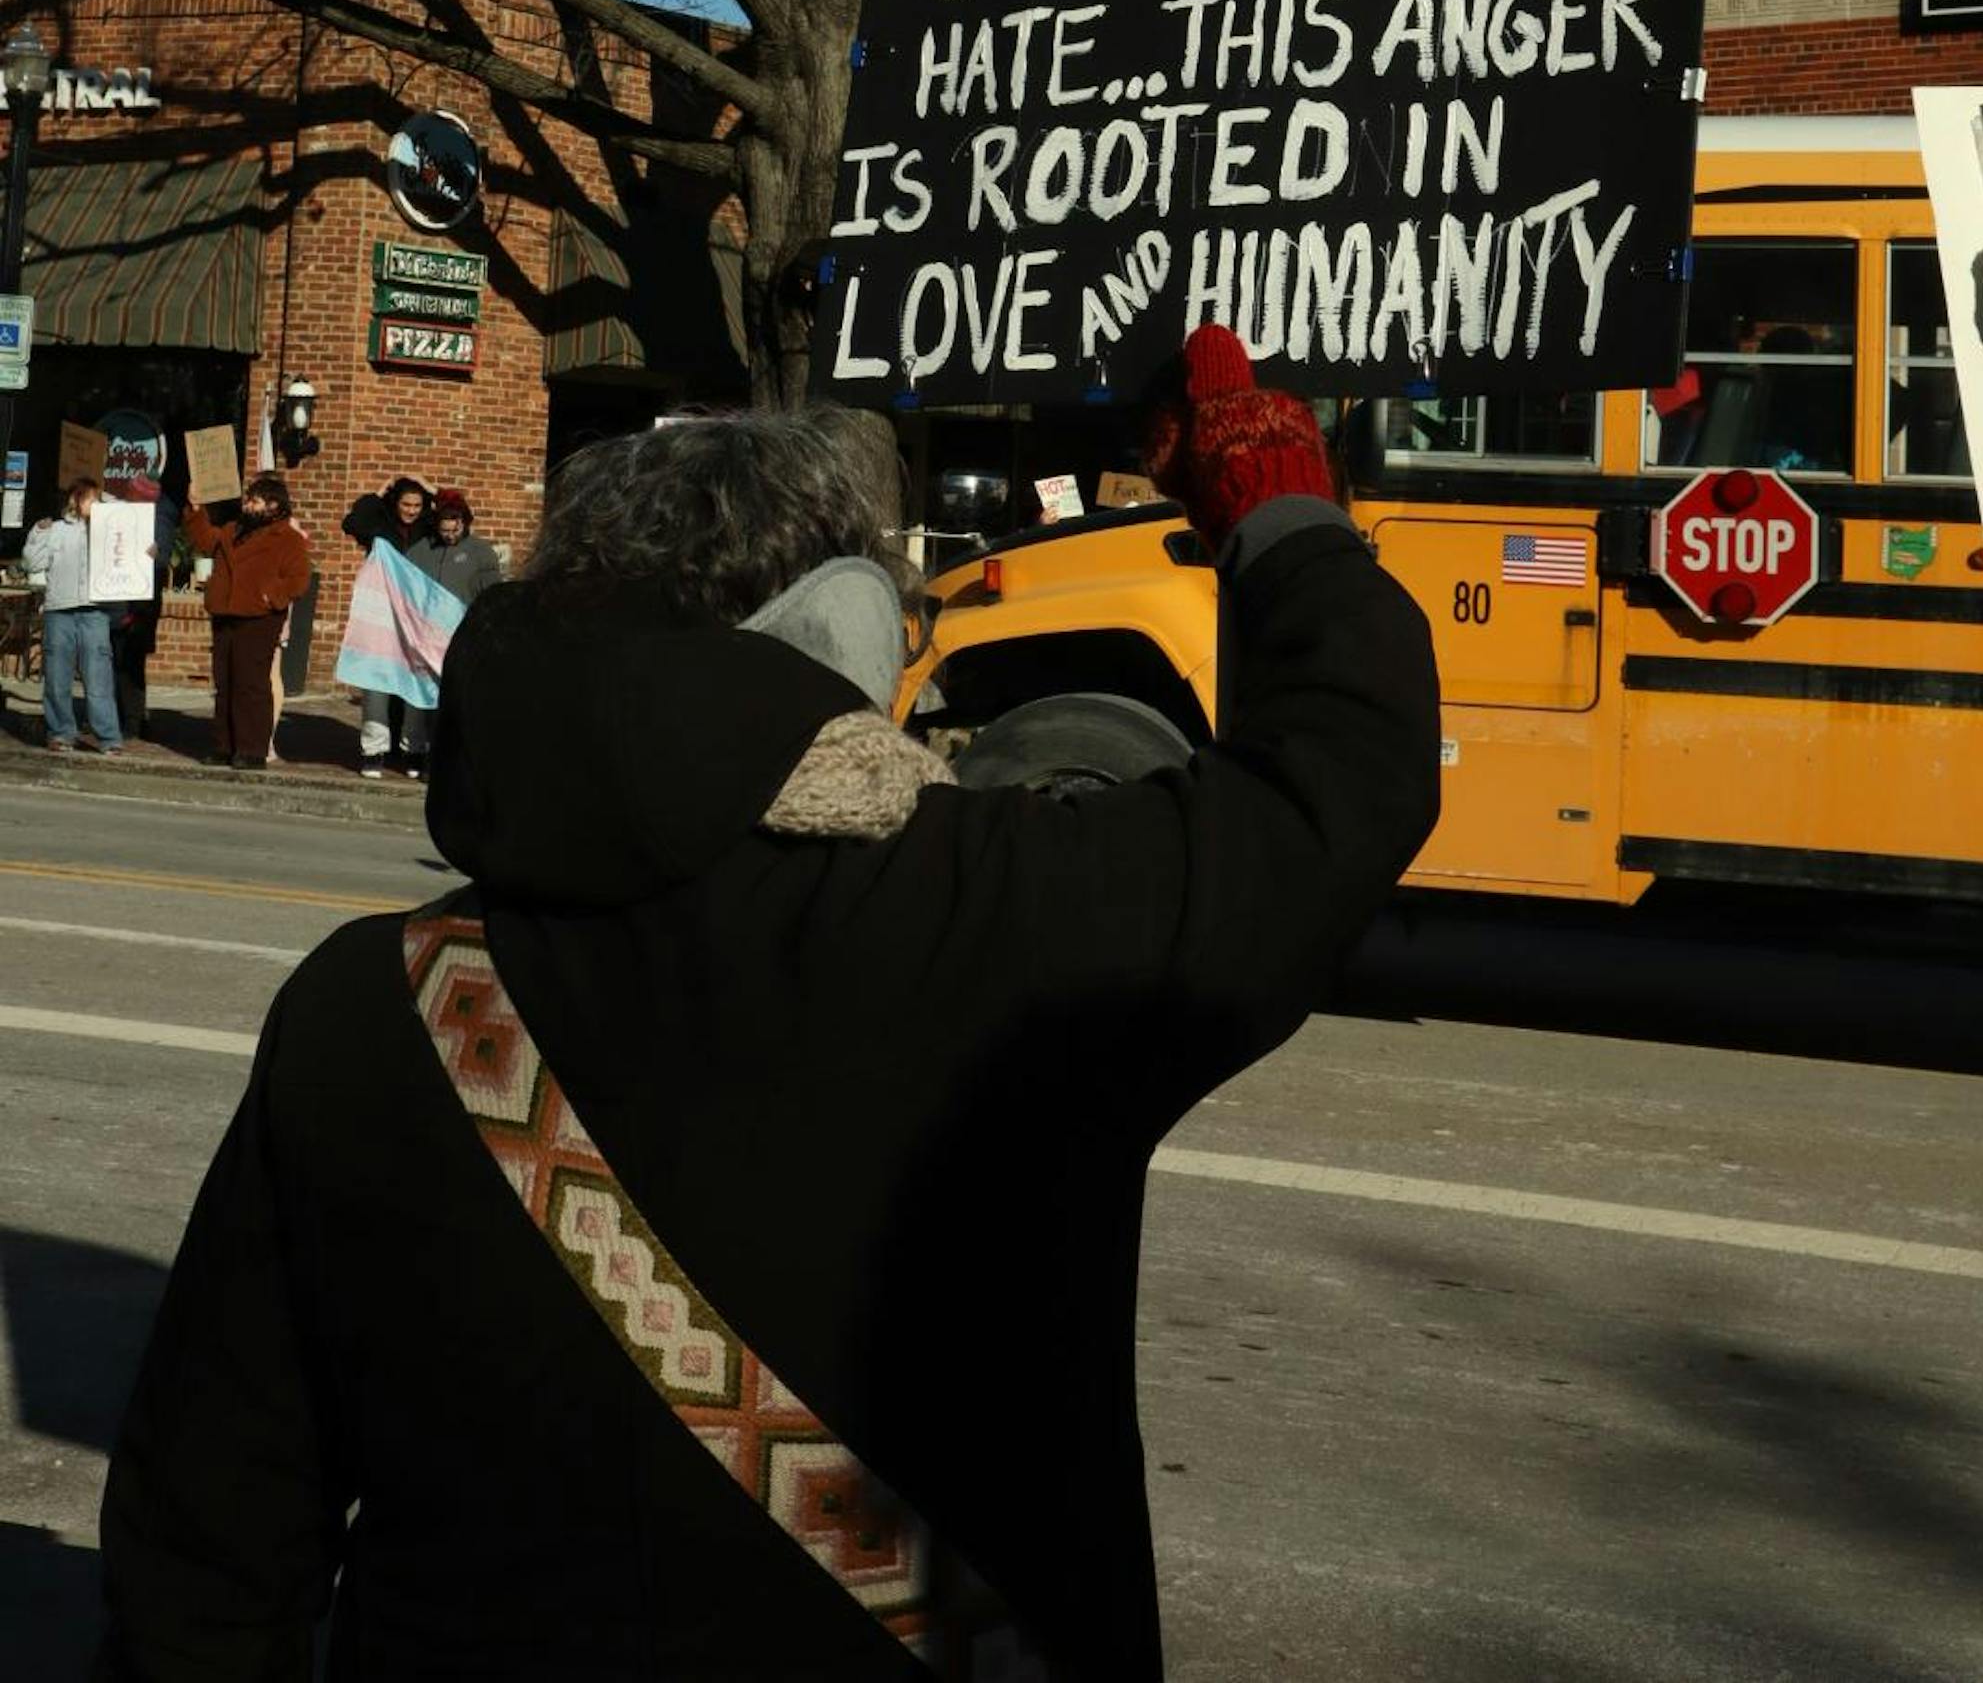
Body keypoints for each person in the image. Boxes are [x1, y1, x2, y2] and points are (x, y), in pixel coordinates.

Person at [97, 331, 1440, 1681]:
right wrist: (1280, 517)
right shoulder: (1005, 922)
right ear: (841, 629)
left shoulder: (366, 1003)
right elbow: (1340, 780)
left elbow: (209, 1532)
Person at [186, 474, 313, 772]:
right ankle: (224, 745)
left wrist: (271, 597)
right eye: (248, 499)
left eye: (254, 500)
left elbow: (299, 580)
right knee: (226, 682)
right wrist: (195, 507)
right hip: (226, 613)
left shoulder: (287, 538)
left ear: (272, 505)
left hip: (259, 617)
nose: (248, 505)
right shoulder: (234, 530)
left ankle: (252, 748)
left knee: (251, 685)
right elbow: (205, 540)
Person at [24, 477, 125, 760]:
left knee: (99, 678)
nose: (87, 502)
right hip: (59, 611)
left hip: (94, 611)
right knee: (57, 677)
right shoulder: (54, 530)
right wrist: (38, 533)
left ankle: (108, 737)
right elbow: (32, 562)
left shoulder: (109, 529)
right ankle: (60, 733)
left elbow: (131, 524)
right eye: (83, 497)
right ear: (72, 499)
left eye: (93, 498)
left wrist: (104, 505)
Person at [341, 473, 435, 774]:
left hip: (417, 617)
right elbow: (353, 522)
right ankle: (374, 750)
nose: (411, 510)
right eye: (406, 504)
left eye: (418, 505)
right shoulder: (379, 526)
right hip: (382, 616)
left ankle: (414, 750)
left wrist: (428, 486)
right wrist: (379, 492)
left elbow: (456, 511)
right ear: (396, 503)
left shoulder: (427, 529)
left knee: (417, 682)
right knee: (376, 682)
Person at [103, 474, 179, 744]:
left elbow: (159, 559)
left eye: (131, 495)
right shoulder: (131, 512)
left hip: (139, 604)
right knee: (115, 660)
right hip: (119, 597)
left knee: (130, 663)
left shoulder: (159, 516)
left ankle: (132, 720)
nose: (126, 498)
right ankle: (117, 716)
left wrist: (144, 552)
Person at [414, 485, 504, 609]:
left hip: (464, 620)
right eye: (444, 531)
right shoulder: (422, 548)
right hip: (429, 620)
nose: (450, 536)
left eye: (455, 530)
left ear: (464, 524)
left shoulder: (481, 551)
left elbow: (494, 595)